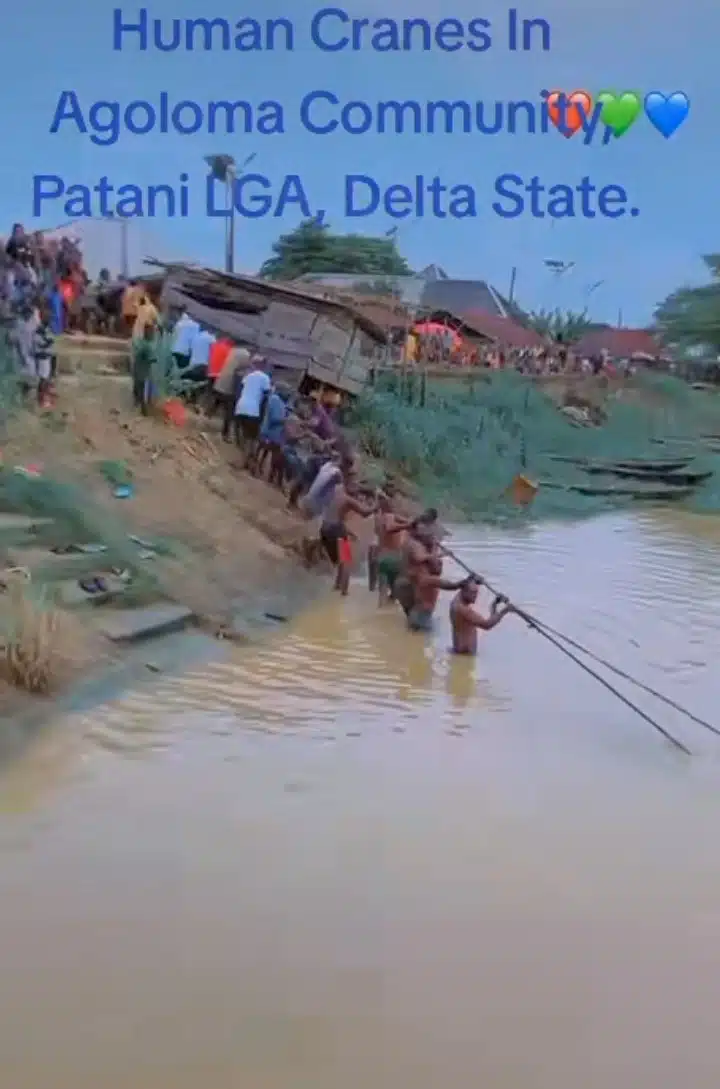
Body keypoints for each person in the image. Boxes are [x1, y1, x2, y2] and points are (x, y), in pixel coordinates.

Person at [319, 459, 376, 595]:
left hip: (324, 528)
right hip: (336, 529)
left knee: (341, 560)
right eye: (354, 483)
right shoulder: (347, 499)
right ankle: (344, 593)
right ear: (349, 483)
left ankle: (337, 586)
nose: (357, 487)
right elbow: (365, 512)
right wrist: (377, 503)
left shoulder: (336, 489)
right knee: (346, 561)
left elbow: (355, 489)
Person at [449, 578, 515, 654]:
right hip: (465, 655)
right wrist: (505, 611)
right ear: (464, 591)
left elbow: (490, 620)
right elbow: (487, 625)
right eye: (472, 593)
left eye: (476, 592)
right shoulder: (464, 610)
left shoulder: (456, 601)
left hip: (459, 652)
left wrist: (494, 604)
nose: (475, 596)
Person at [407, 555, 464, 633]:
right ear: (429, 566)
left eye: (441, 564)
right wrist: (470, 580)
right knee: (427, 640)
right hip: (422, 616)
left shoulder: (419, 574)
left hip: (417, 614)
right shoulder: (431, 579)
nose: (441, 568)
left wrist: (440, 555)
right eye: (439, 565)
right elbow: (453, 586)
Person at [233, 355, 271, 468]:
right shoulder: (265, 378)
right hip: (253, 410)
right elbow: (266, 396)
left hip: (241, 407)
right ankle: (243, 462)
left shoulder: (248, 376)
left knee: (245, 436)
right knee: (251, 438)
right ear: (263, 365)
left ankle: (245, 460)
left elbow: (240, 390)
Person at [373, 490, 411, 605]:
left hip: (382, 557)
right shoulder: (391, 517)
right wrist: (408, 525)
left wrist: (411, 523)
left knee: (382, 593)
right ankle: (389, 617)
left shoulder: (378, 518)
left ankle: (382, 615)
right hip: (394, 558)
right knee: (395, 593)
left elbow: (410, 522)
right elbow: (390, 527)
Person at [130, 321, 156, 414]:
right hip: (143, 371)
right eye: (152, 331)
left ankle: (137, 403)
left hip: (137, 368)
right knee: (143, 389)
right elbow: (152, 359)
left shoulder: (140, 342)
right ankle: (144, 408)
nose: (153, 334)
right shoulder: (148, 345)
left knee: (138, 386)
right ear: (148, 332)